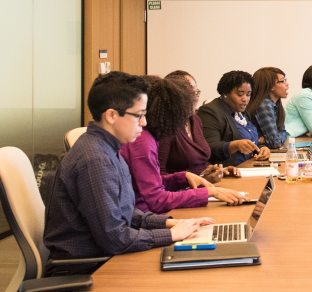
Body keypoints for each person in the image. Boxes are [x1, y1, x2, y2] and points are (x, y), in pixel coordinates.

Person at [43, 71, 212, 266]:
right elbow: (115, 238)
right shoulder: (95, 160)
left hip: (105, 256)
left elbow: (126, 212)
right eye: (139, 115)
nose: (144, 122)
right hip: (87, 266)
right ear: (111, 115)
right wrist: (171, 235)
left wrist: (169, 223)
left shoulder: (108, 148)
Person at [121, 76, 247, 214]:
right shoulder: (143, 141)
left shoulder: (149, 137)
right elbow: (156, 199)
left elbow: (152, 181)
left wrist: (183, 177)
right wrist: (210, 192)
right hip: (147, 215)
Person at [157, 70, 233, 181]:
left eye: (196, 93)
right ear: (175, 96)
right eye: (190, 93)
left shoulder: (195, 120)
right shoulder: (166, 127)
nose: (196, 98)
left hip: (203, 186)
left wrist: (216, 170)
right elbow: (159, 175)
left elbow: (200, 161)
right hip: (182, 190)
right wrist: (196, 180)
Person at [198, 71, 271, 166]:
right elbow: (209, 149)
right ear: (225, 93)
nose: (245, 99)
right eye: (240, 94)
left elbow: (250, 140)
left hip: (249, 166)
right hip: (227, 170)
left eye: (248, 94)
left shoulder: (242, 112)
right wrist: (234, 145)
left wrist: (262, 148)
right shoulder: (210, 111)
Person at [249, 67, 291, 149]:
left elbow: (284, 132)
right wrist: (276, 138)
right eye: (282, 81)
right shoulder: (264, 105)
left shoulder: (275, 104)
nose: (287, 84)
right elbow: (275, 143)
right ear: (271, 86)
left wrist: (275, 137)